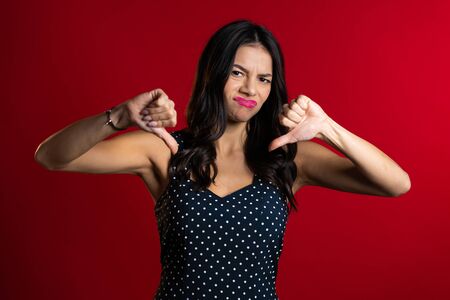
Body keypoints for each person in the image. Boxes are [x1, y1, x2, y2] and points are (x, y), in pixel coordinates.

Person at [34, 19, 411, 299]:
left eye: (264, 79)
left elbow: (397, 184)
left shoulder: (287, 157)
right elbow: (50, 157)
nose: (251, 89)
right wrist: (117, 116)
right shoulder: (165, 149)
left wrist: (328, 128)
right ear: (214, 74)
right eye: (237, 72)